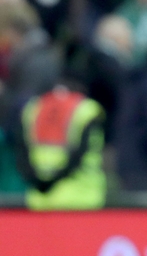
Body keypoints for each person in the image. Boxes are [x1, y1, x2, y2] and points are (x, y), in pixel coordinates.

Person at [14, 75, 105, 210]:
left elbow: (20, 149)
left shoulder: (33, 107)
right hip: (82, 197)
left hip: (41, 197)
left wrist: (38, 181)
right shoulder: (87, 110)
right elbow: (83, 153)